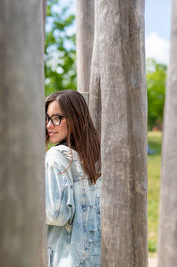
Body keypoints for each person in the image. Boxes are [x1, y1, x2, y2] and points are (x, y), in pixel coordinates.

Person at [45, 90, 101, 267]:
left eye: (56, 118)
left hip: (63, 258)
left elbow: (56, 214)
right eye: (47, 118)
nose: (49, 125)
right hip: (93, 258)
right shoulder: (94, 157)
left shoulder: (56, 157)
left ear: (74, 118)